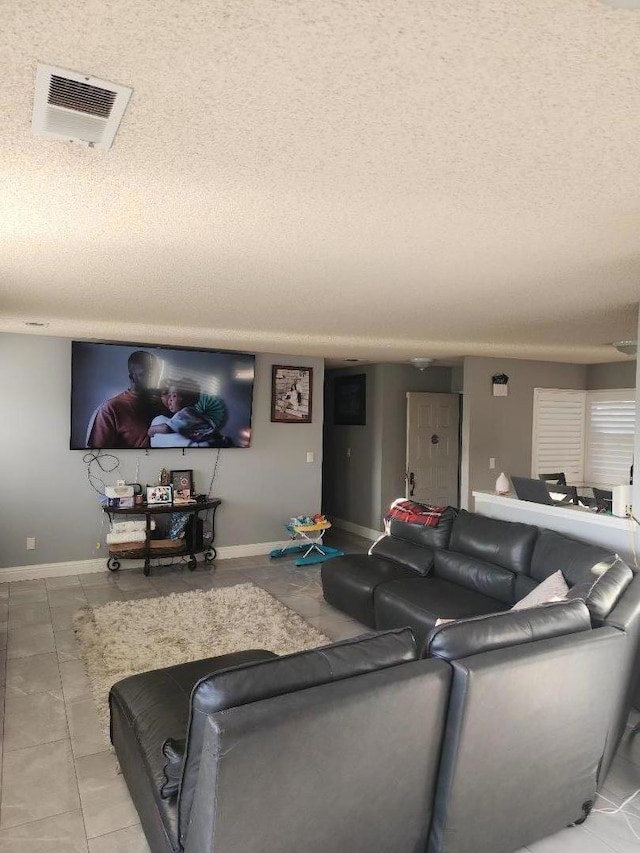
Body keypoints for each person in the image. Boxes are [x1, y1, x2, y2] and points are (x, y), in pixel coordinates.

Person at [87, 351, 163, 448]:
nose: (153, 379)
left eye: (155, 374)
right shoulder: (111, 409)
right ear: (132, 377)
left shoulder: (164, 403)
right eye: (145, 375)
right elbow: (96, 454)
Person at [147, 378, 232, 447]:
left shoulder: (185, 413)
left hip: (210, 443)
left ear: (188, 399)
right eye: (169, 395)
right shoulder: (195, 412)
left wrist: (152, 430)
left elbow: (166, 428)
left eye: (174, 395)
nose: (170, 399)